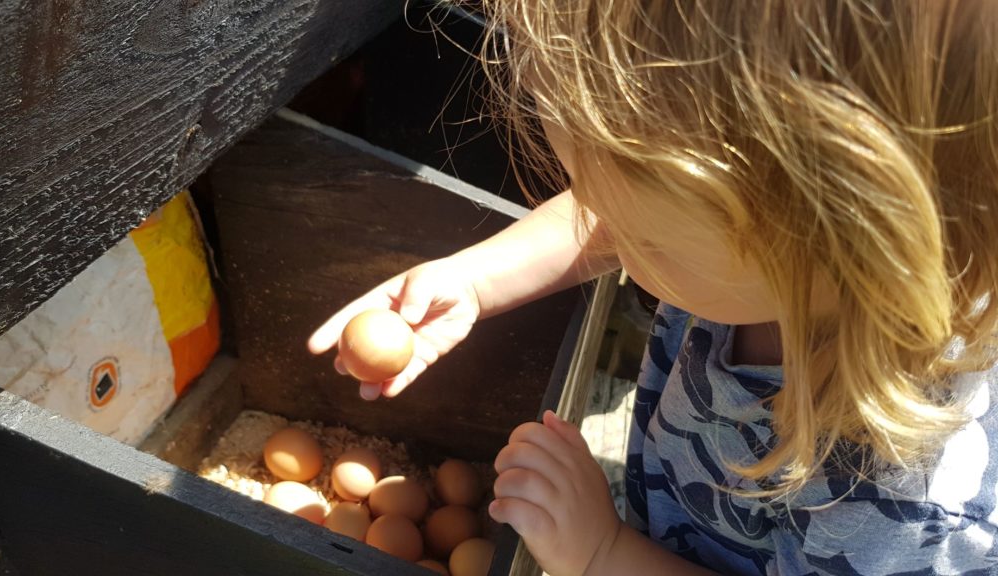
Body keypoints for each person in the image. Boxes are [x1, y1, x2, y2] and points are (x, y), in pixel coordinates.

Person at [309, 1, 998, 574]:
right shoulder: (786, 271)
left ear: (847, 242)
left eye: (651, 240)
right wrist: (476, 281)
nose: (617, 241)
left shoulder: (899, 498)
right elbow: (618, 217)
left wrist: (603, 552)